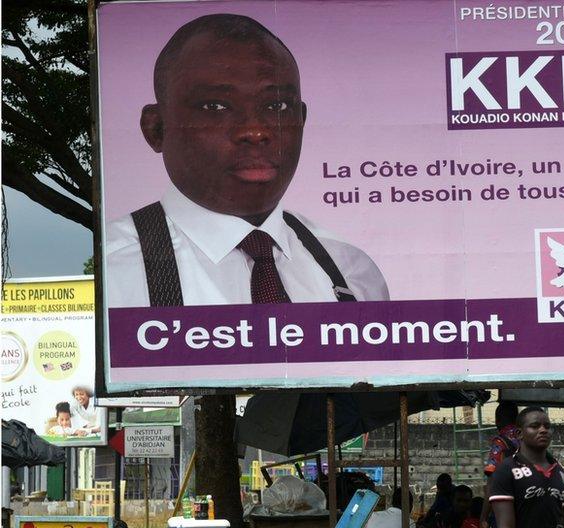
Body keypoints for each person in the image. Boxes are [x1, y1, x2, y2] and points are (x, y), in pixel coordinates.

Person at [105, 13, 388, 308]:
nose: (255, 131)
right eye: (215, 106)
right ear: (156, 129)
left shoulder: (352, 273)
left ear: (301, 120)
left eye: (276, 105)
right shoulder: (114, 273)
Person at [489, 406, 564, 528]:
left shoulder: (559, 470)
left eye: (547, 426)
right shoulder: (507, 470)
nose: (543, 430)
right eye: (535, 426)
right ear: (519, 433)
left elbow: (559, 519)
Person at [481, 401, 520, 528]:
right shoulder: (528, 439)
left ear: (497, 420)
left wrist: (483, 518)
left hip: (506, 510)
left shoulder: (499, 443)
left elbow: (492, 481)